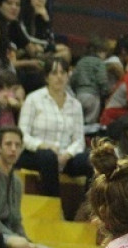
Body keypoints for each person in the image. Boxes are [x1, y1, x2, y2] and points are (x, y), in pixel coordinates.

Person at [0, 125, 68, 248]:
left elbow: (16, 220)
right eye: (8, 144)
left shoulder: (17, 183)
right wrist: (22, 242)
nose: (13, 149)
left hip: (14, 238)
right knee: (19, 246)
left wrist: (28, 242)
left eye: (17, 145)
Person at [17, 58, 92, 198]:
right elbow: (22, 135)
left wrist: (67, 154)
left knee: (92, 159)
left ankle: (87, 209)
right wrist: (43, 145)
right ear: (46, 77)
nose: (59, 77)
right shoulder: (33, 99)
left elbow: (78, 140)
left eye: (63, 73)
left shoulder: (75, 105)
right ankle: (53, 205)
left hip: (65, 156)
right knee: (48, 157)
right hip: (37, 153)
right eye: (54, 73)